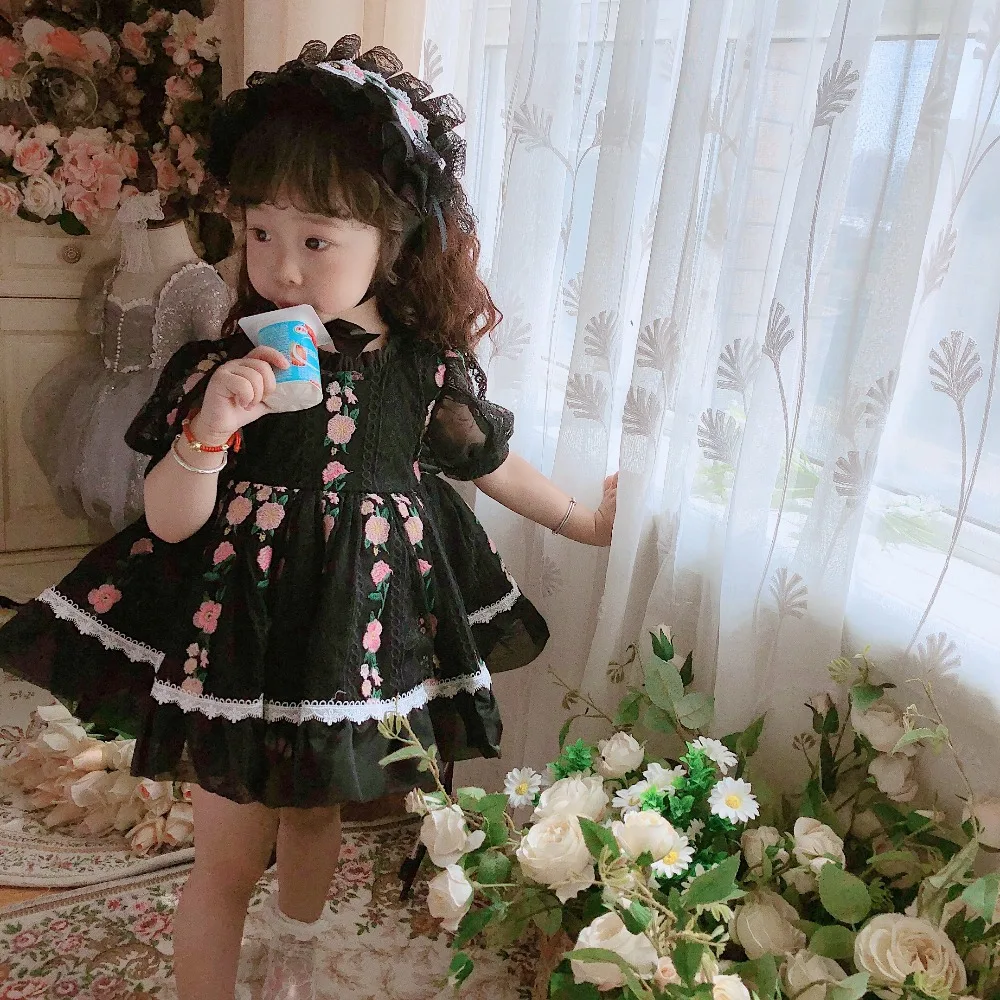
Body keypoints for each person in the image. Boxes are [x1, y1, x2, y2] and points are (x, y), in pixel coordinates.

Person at [0, 36, 617, 1000]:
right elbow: (169, 522)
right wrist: (210, 428)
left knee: (318, 813)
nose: (282, 269)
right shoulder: (222, 367)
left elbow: (491, 464)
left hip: (354, 636)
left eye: (317, 240)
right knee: (226, 854)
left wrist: (584, 521)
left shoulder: (423, 370)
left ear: (395, 241)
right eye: (260, 233)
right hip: (239, 639)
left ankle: (293, 957)